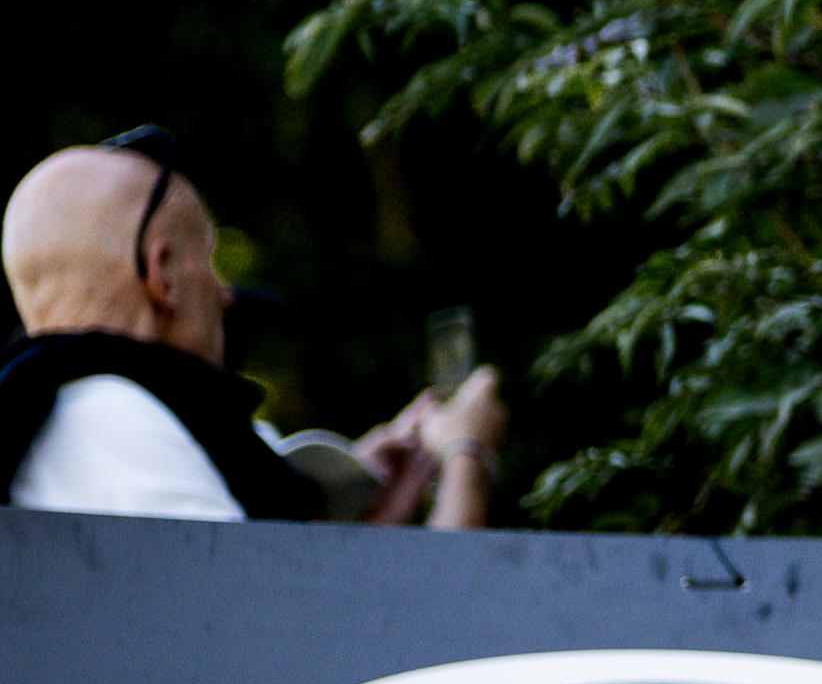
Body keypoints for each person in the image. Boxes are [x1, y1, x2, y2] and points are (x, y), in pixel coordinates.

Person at [0, 135, 503, 525]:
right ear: (163, 274)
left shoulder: (70, 410)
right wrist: (467, 459)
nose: (225, 293)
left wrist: (360, 499)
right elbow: (286, 647)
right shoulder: (111, 418)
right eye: (210, 260)